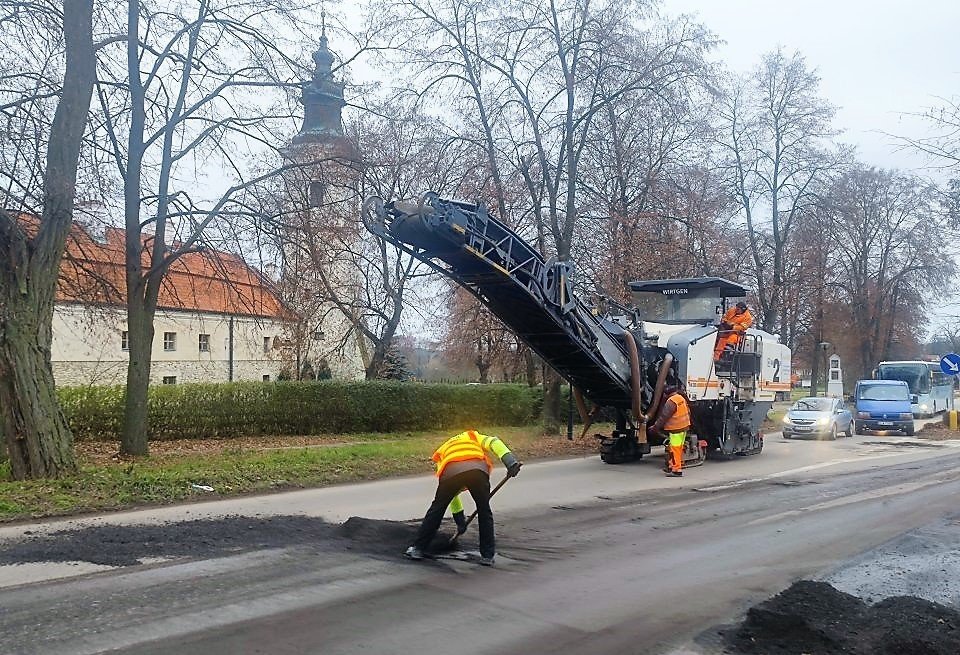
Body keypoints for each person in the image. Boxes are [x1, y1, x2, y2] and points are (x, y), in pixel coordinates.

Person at [405, 430, 522, 566]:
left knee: (437, 508)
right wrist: (510, 461)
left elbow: (452, 496)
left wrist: (460, 520)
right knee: (484, 510)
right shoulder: (472, 436)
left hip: (451, 471)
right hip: (478, 470)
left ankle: (417, 549)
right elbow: (494, 442)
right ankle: (487, 556)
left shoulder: (441, 452)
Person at [648, 383, 692, 477]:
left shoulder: (671, 402)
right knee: (678, 448)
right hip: (684, 427)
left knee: (674, 449)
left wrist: (655, 428)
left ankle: (676, 470)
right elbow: (688, 411)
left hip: (676, 429)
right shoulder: (680, 398)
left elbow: (663, 417)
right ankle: (673, 466)